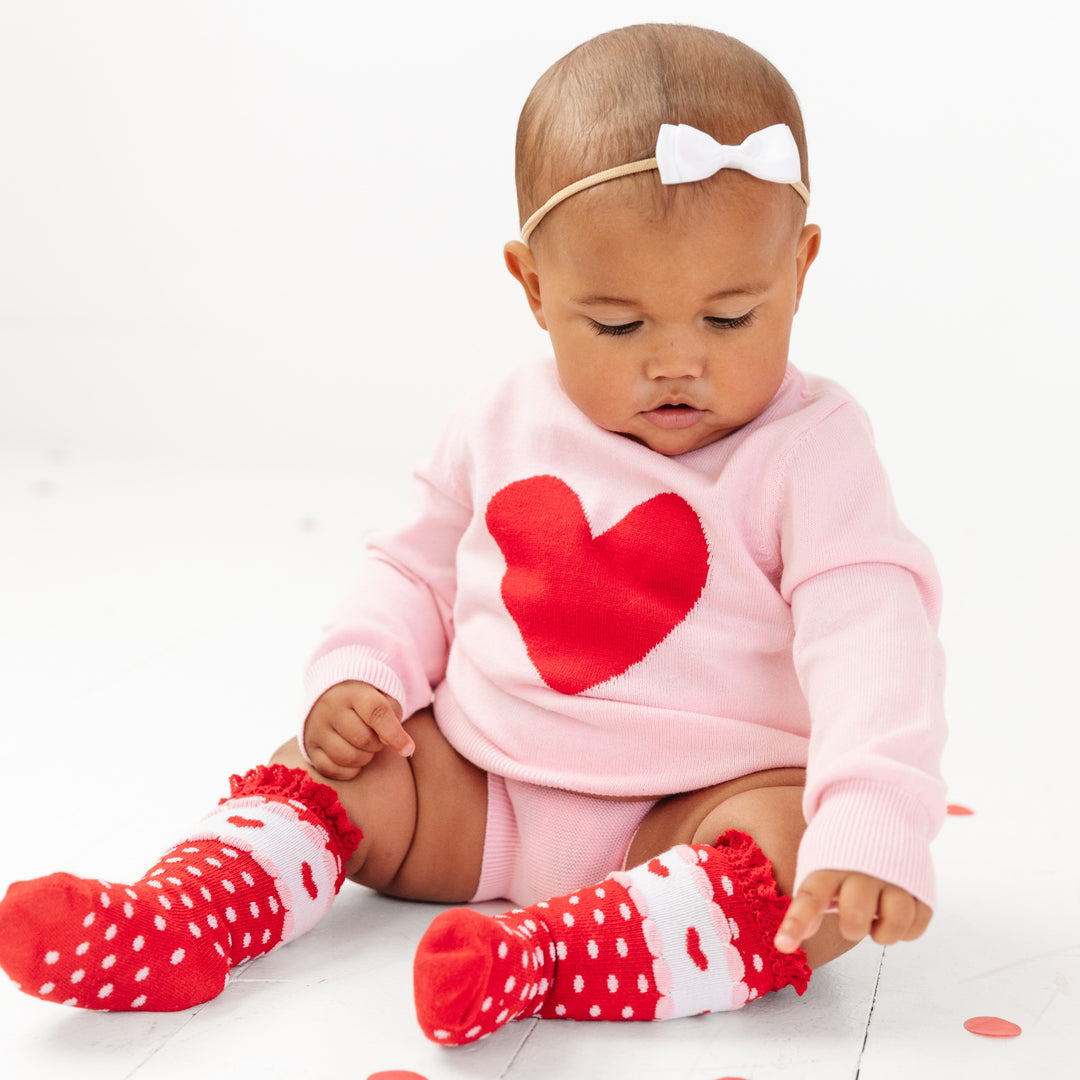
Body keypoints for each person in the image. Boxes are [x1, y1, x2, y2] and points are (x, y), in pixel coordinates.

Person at [0, 23, 946, 1045]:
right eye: (619, 326)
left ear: (800, 270)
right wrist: (361, 672)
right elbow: (414, 567)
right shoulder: (500, 420)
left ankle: (545, 960)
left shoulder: (814, 450)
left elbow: (873, 639)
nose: (677, 363)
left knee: (808, 879)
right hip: (482, 783)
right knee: (341, 772)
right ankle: (183, 917)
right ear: (534, 287)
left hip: (696, 805)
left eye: (729, 319)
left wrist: (870, 816)